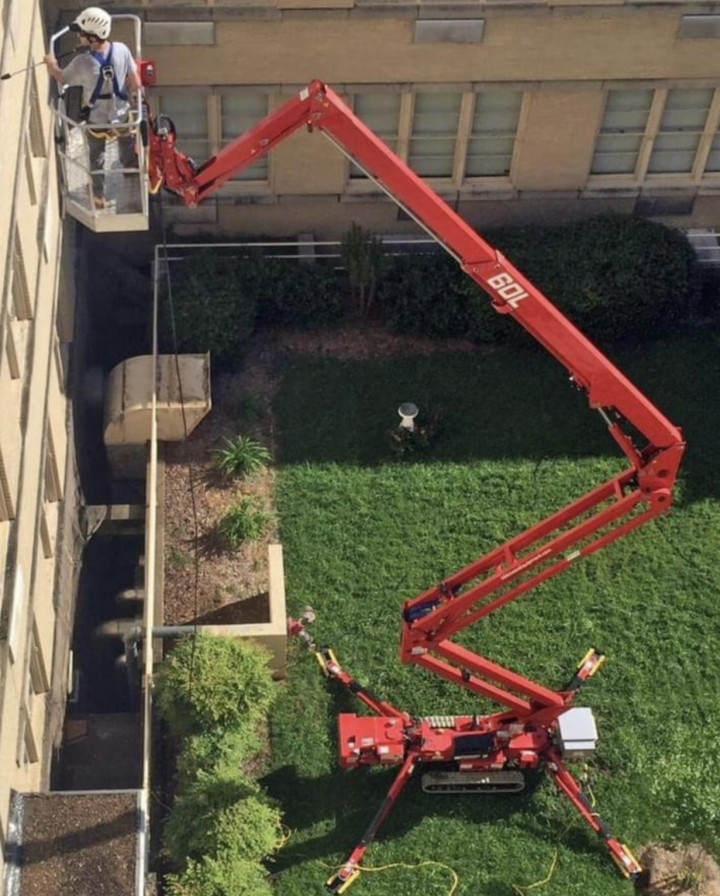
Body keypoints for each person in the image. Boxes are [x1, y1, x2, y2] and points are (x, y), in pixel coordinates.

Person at [44, 6, 142, 209]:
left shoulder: (82, 63)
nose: (79, 36)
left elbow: (62, 77)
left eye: (82, 33)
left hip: (96, 121)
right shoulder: (122, 50)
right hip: (121, 114)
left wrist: (51, 64)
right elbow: (135, 82)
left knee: (97, 156)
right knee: (126, 141)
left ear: (92, 37)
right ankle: (131, 168)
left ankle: (98, 196)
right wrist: (134, 102)